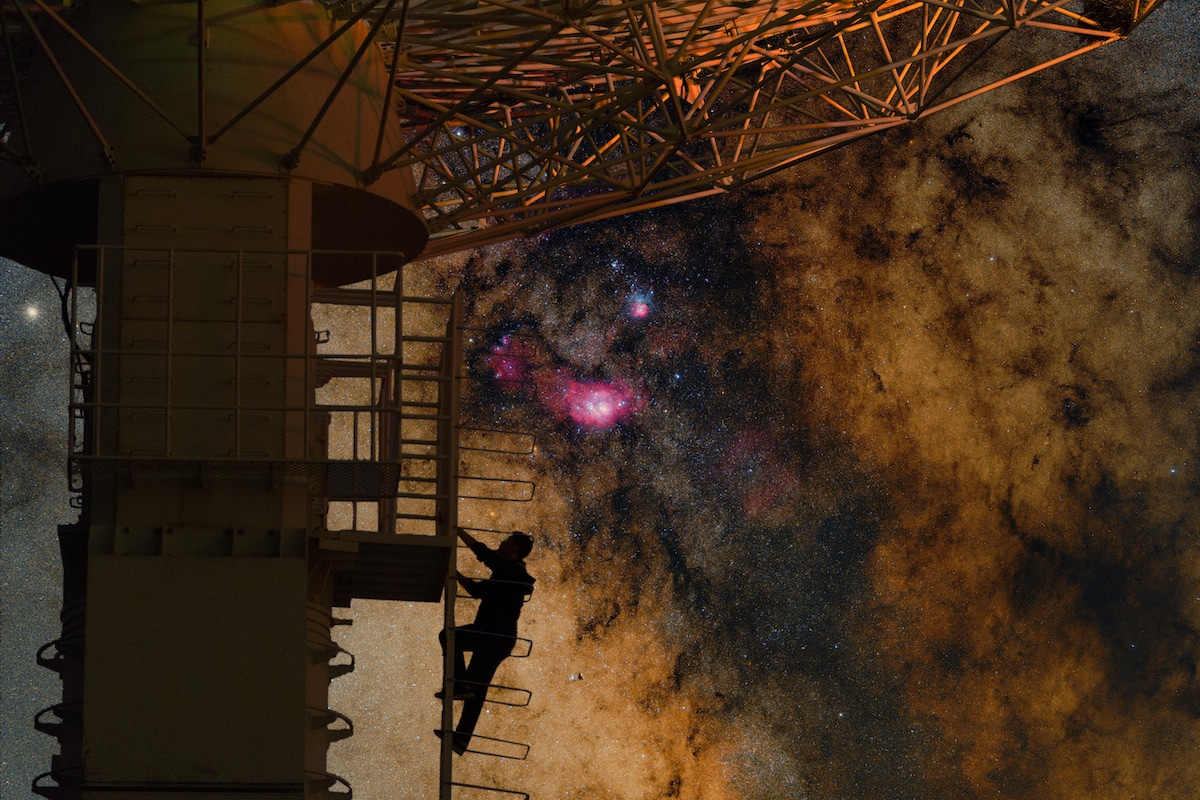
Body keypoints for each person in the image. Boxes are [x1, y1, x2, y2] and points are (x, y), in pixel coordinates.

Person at [438, 526, 534, 754]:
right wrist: (453, 573)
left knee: (451, 637)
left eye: (505, 540)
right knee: (476, 690)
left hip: (493, 634)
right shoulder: (510, 574)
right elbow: (477, 590)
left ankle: (459, 685)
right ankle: (461, 740)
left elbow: (484, 553)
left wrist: (457, 531)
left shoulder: (511, 570)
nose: (500, 544)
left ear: (514, 547)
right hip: (498, 637)